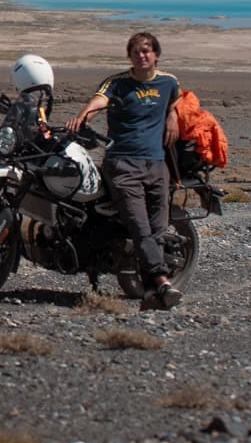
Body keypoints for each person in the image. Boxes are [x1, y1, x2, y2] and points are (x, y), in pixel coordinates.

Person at [68, 31, 183, 310]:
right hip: (123, 165)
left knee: (157, 231)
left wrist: (173, 114)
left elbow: (179, 99)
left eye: (146, 51)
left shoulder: (168, 82)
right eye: (136, 52)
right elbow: (100, 101)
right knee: (141, 228)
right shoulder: (118, 83)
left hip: (156, 166)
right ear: (129, 56)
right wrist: (83, 117)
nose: (141, 56)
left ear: (156, 54)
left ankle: (149, 295)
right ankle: (162, 281)